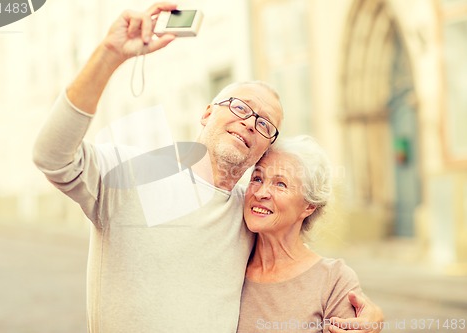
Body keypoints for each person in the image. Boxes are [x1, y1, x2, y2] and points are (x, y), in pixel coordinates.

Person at [33, 3, 383, 332]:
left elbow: (296, 269)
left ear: (266, 147)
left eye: (264, 124)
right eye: (241, 107)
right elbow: (51, 156)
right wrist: (109, 56)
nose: (250, 123)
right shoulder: (132, 172)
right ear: (206, 112)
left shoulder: (249, 213)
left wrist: (368, 314)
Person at [237, 135, 377, 333]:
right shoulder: (230, 263)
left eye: (280, 184)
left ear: (309, 206)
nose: (260, 193)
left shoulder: (333, 281)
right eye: (257, 178)